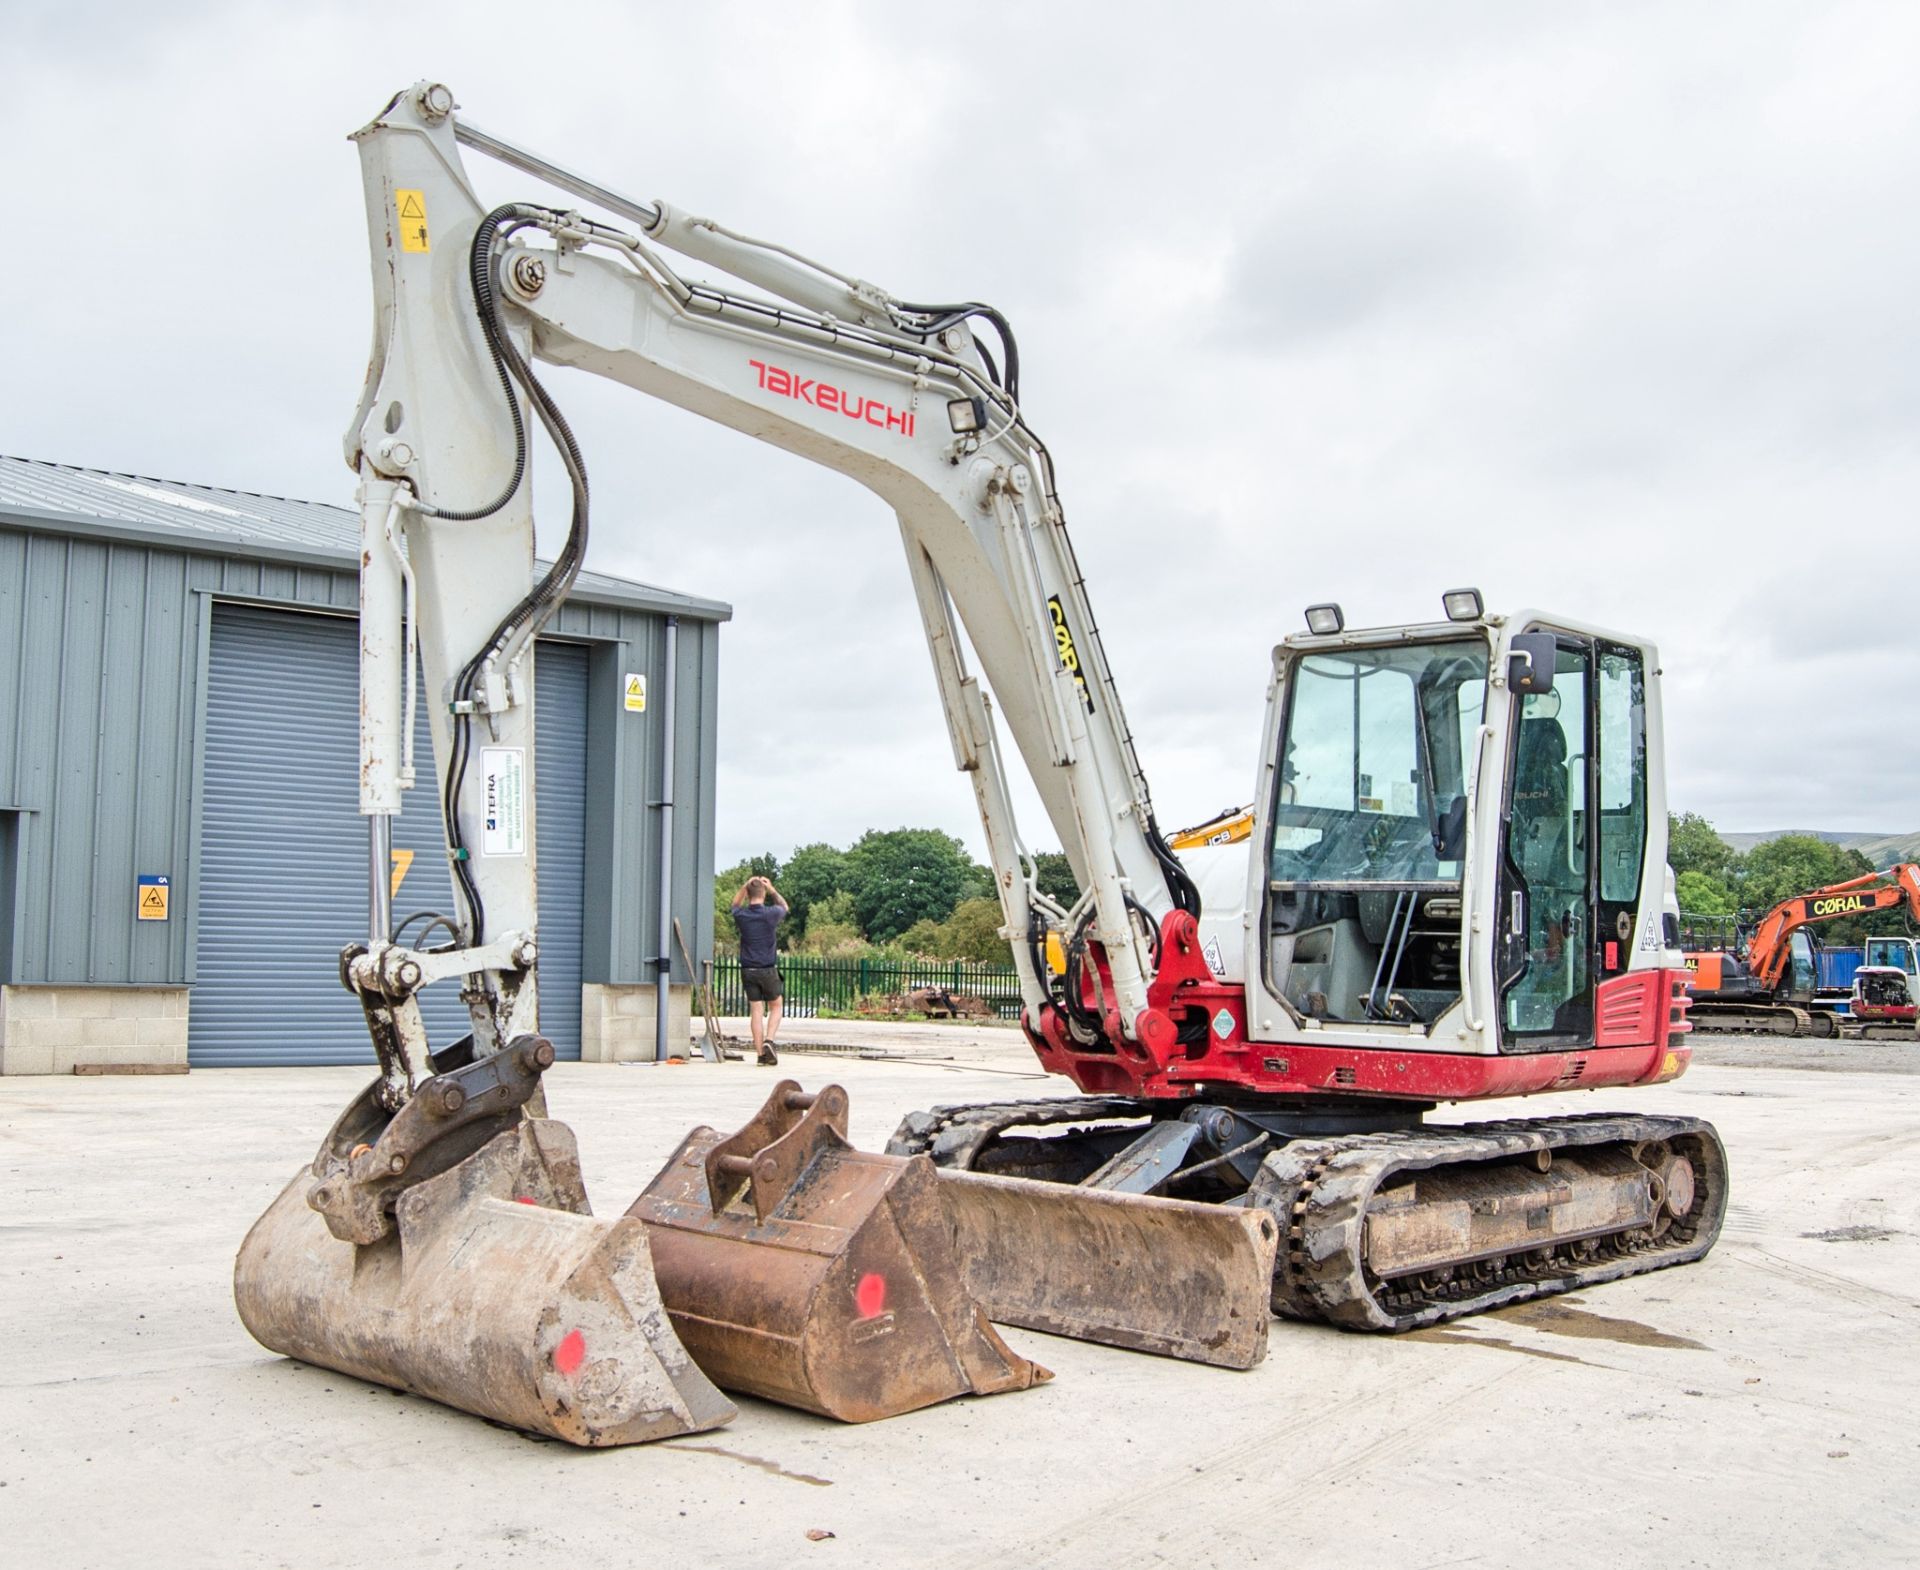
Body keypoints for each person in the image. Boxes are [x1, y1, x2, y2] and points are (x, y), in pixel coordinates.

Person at [730, 875, 788, 1066]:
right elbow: (785, 907)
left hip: (748, 969)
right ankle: (769, 1041)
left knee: (756, 1010)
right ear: (763, 894)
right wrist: (771, 889)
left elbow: (734, 905)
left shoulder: (742, 916)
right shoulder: (770, 914)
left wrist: (744, 886)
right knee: (776, 1005)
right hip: (767, 968)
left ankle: (760, 1055)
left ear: (747, 894)